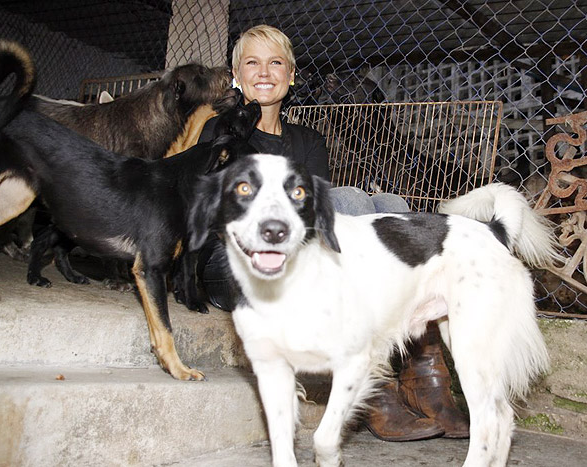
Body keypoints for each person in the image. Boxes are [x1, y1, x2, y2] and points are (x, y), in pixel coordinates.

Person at [197, 24, 469, 442]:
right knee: (353, 201)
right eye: (252, 63)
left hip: (302, 258)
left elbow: (314, 226)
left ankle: (424, 374)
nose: (264, 72)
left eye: (276, 63)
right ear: (236, 75)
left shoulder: (309, 140)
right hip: (238, 263)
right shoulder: (224, 132)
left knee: (392, 207)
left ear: (292, 76)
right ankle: (374, 391)